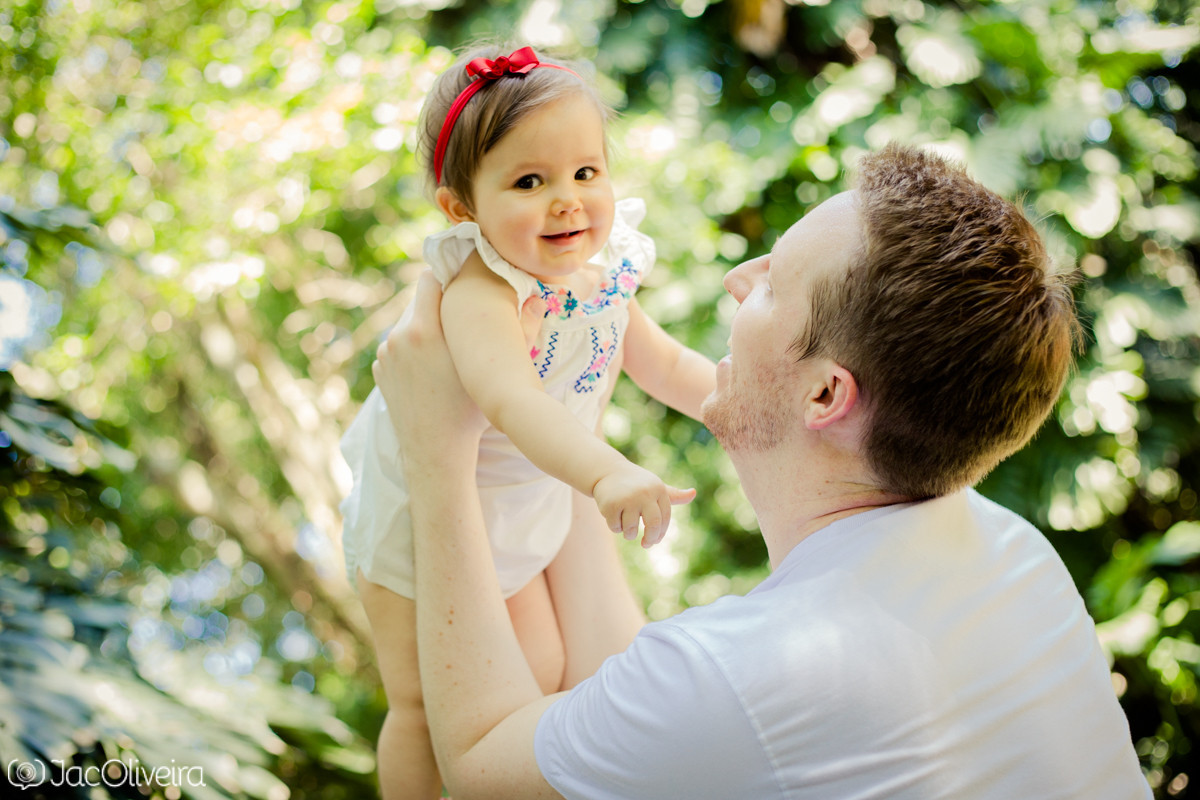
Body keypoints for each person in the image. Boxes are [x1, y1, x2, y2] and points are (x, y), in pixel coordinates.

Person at [371, 143, 1152, 799]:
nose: (736, 277)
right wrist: (561, 419)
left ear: (825, 393)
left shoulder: (751, 674)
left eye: (774, 285)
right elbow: (624, 712)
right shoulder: (1012, 556)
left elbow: (478, 766)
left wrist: (439, 457)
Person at [338, 43, 716, 798]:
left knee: (539, 676)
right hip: (425, 525)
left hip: (521, 505)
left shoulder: (600, 275)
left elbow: (665, 364)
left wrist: (739, 408)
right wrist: (608, 471)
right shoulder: (481, 292)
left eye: (585, 172)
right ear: (462, 208)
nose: (567, 199)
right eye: (529, 181)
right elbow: (513, 402)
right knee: (420, 702)